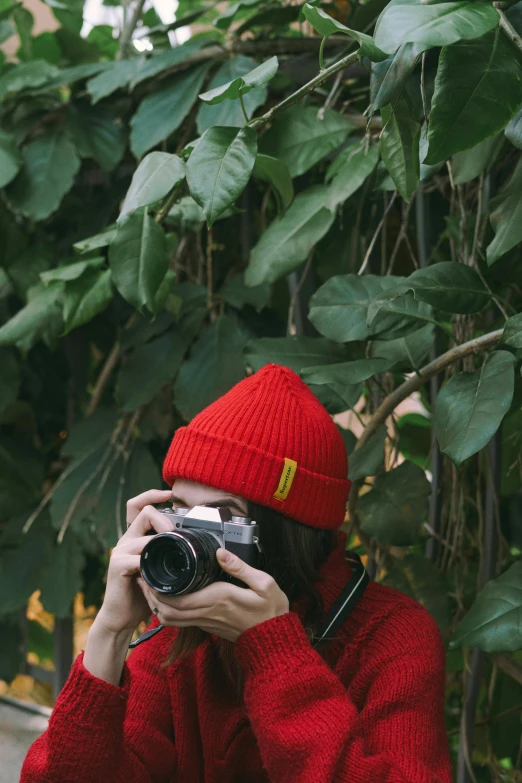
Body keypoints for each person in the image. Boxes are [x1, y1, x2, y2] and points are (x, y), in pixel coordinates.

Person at [21, 364, 453, 783]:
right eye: (184, 515)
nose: (194, 541)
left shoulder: (394, 637)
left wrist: (274, 651)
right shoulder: (181, 635)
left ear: (288, 531)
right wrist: (110, 631)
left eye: (220, 520)